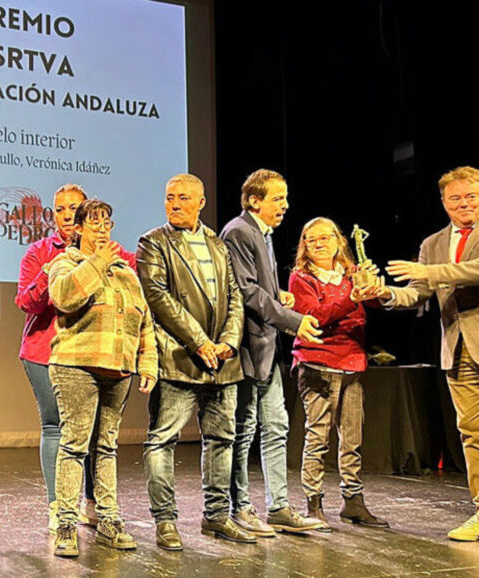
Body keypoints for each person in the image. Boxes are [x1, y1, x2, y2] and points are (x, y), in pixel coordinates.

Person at [137, 174, 253, 551]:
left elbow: (234, 296)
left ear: (201, 202)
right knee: (162, 439)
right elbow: (158, 297)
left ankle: (216, 516)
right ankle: (165, 520)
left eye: (183, 198)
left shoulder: (218, 244)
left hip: (222, 362)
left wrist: (229, 342)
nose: (174, 204)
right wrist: (199, 341)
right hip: (178, 357)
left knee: (221, 439)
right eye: (170, 197)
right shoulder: (154, 242)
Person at [15, 183, 136, 531]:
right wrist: (51, 272)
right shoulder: (41, 253)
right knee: (56, 426)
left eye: (74, 208)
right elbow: (26, 302)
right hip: (45, 350)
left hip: (97, 353)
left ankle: (94, 503)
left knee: (98, 433)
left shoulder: (116, 254)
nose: (66, 215)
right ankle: (59, 506)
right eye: (60, 209)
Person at [46, 199, 158, 558]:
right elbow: (64, 298)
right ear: (78, 228)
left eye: (107, 222)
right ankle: (66, 523)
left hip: (118, 369)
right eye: (93, 222)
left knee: (107, 446)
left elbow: (144, 321)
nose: (102, 228)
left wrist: (148, 362)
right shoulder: (65, 263)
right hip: (76, 365)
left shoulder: (126, 271)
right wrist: (96, 261)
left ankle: (109, 518)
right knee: (74, 445)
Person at [220, 168, 324, 535]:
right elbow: (245, 291)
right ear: (254, 200)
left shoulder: (261, 233)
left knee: (277, 426)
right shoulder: (238, 231)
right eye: (278, 198)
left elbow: (258, 287)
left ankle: (278, 506)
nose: (285, 205)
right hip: (247, 349)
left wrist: (278, 296)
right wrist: (292, 320)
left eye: (285, 198)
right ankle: (239, 508)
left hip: (266, 348)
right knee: (243, 429)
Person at [381, 165, 479, 541]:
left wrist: (432, 272)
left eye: (471, 196)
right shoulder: (432, 243)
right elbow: (417, 294)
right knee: (472, 432)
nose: (464, 204)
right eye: (455, 198)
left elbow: (472, 270)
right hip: (458, 350)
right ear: (443, 202)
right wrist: (384, 293)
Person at [289, 217, 389, 530]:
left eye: (325, 238)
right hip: (318, 365)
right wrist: (351, 300)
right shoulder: (301, 278)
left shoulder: (351, 272)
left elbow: (375, 304)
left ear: (338, 240)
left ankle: (353, 502)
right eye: (312, 239)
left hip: (352, 363)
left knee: (352, 438)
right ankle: (313, 503)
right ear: (304, 246)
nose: (319, 244)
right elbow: (314, 316)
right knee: (318, 438)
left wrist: (376, 288)